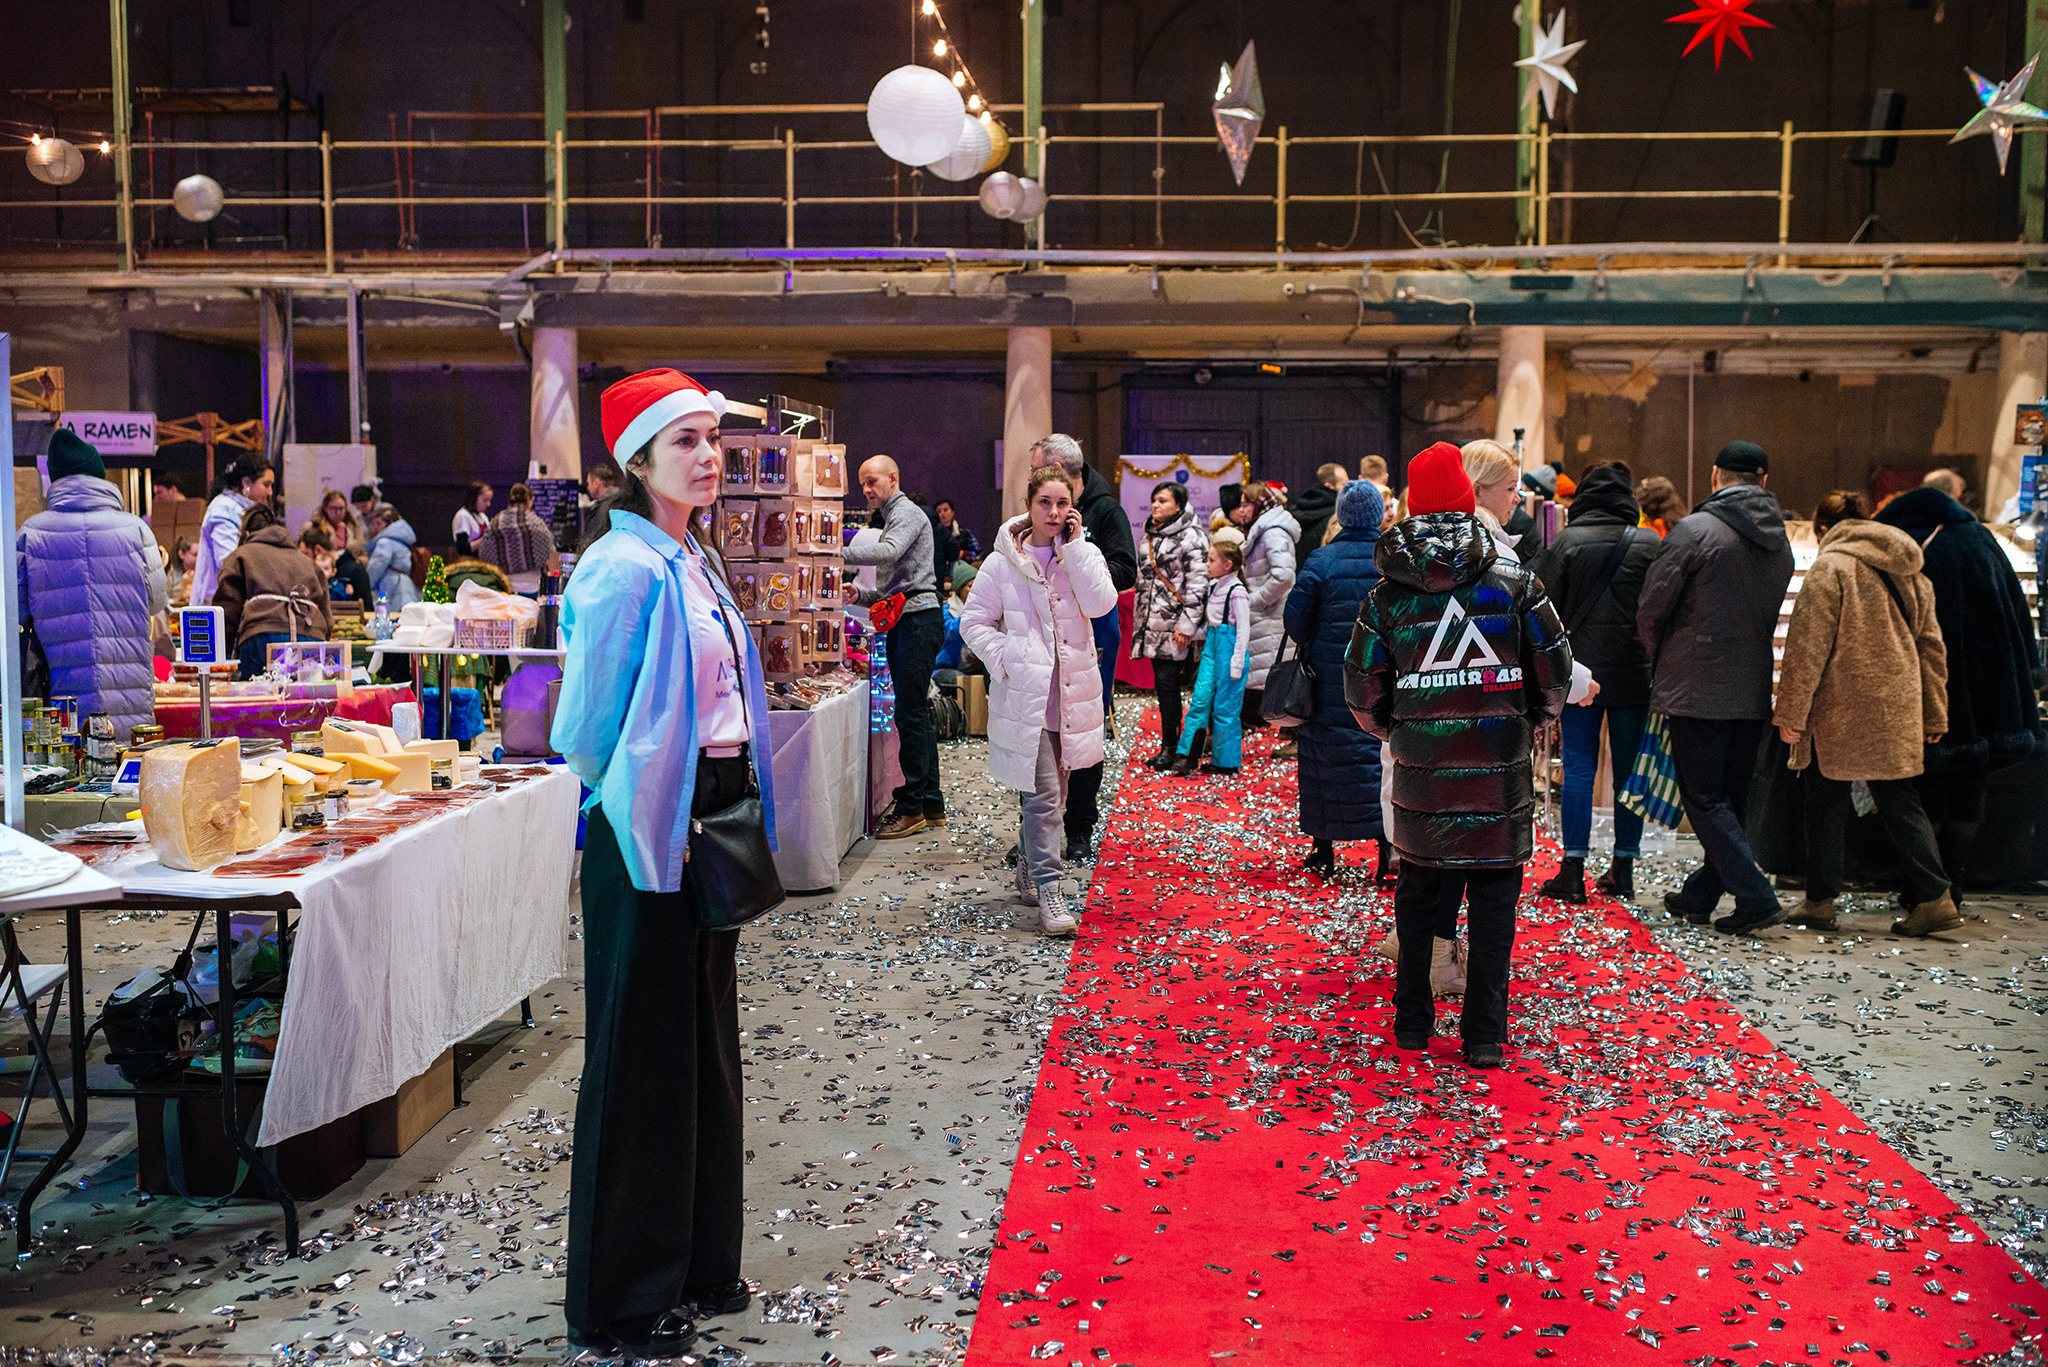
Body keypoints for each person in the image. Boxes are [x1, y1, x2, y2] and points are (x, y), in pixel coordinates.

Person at [553, 368, 775, 1360]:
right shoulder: (623, 568)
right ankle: (620, 1298)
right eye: (682, 440)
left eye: (709, 436)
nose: (706, 453)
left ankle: (694, 1260)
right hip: (647, 831)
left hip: (710, 821)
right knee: (639, 1062)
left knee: (702, 1053)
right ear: (634, 461)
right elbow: (586, 727)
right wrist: (646, 799)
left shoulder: (692, 560)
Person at [1345, 441, 1573, 1069]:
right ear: (1469, 500)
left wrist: (1401, 730)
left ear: (1413, 506)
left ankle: (1413, 1024)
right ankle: (1485, 1037)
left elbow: (1361, 693)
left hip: (1422, 779)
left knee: (1417, 900)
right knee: (1495, 906)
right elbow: (1554, 674)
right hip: (1498, 778)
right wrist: (1527, 721)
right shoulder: (1516, 584)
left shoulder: (1385, 598)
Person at [1772, 492, 1955, 935]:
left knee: (1824, 803)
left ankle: (1820, 902)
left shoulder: (1831, 568)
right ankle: (1935, 897)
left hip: (1841, 707)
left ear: (1822, 530)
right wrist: (1935, 713)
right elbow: (1931, 649)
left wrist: (1791, 713)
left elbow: (1807, 649)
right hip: (1897, 705)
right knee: (1898, 799)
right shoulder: (1912, 570)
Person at [1636, 440, 1796, 934]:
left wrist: (1659, 660)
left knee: (1704, 800)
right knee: (1730, 800)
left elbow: (1651, 608)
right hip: (1750, 687)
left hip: (1696, 687)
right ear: (1763, 480)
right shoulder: (1780, 540)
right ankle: (1701, 894)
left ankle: (1756, 899)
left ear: (1713, 476)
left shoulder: (1694, 531)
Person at [1875, 479, 2047, 920]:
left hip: (1939, 687)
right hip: (1993, 688)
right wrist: (2028, 673)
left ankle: (1927, 890)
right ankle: (1957, 884)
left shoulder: (1920, 550)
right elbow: (2017, 614)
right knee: (1972, 784)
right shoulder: (1982, 539)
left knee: (1929, 783)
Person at [960, 465, 1117, 935]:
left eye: (1062, 503)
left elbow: (1102, 604)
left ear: (1073, 508)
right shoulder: (1001, 562)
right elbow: (974, 623)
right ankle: (1051, 890)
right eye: (1044, 502)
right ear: (1029, 505)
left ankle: (1029, 868)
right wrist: (1007, 655)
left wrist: (1076, 550)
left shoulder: (1078, 554)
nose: (1053, 512)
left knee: (1058, 792)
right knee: (1046, 797)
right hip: (1028, 697)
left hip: (1073, 698)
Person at [1531, 464, 1662, 902]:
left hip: (1581, 677)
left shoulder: (1567, 542)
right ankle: (1623, 868)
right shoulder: (1649, 542)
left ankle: (1572, 871)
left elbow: (1544, 608)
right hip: (1635, 675)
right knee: (1629, 773)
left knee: (1580, 770)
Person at [17, 430, 168, 741]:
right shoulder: (136, 529)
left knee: (73, 772)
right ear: (100, 477)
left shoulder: (31, 534)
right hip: (131, 706)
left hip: (62, 706)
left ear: (55, 481)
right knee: (130, 774)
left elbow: (14, 613)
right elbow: (156, 603)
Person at [1032, 434, 1138, 860]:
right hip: (1043, 637)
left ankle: (1079, 827)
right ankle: (1036, 830)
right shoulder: (1037, 509)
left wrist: (1080, 565)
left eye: (1037, 469)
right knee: (1039, 734)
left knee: (1084, 733)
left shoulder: (1106, 510)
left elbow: (1125, 570)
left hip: (1093, 635)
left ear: (1062, 470)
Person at [1283, 479, 1387, 874]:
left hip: (1329, 679)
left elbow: (1294, 620)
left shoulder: (1322, 560)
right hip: (1381, 675)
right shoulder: (1391, 559)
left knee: (1323, 761)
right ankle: (1386, 848)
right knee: (1379, 756)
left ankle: (1324, 850)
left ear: (1341, 515)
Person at [843, 455, 946, 838]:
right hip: (911, 619)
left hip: (917, 622)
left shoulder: (907, 513)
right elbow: (894, 589)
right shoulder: (896, 517)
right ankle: (930, 803)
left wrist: (829, 550)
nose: (867, 490)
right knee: (915, 713)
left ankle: (911, 806)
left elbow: (888, 553)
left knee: (910, 714)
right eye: (862, 484)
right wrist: (862, 593)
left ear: (893, 477)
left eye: (872, 482)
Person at [1131, 481, 1209, 769]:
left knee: (1171, 684)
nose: (1155, 505)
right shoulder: (1151, 533)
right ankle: (1171, 745)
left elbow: (1199, 585)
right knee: (1164, 687)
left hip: (1176, 625)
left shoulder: (1192, 536)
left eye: (1162, 500)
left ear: (1179, 504)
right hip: (1152, 623)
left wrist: (1187, 626)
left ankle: (1174, 747)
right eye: (1153, 500)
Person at [213, 503, 334, 680]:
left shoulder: (241, 555)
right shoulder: (307, 561)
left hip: (262, 633)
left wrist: (222, 657)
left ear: (246, 533)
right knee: (305, 703)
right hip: (311, 635)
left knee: (258, 700)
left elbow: (227, 609)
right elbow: (326, 615)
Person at [1168, 539, 1250, 777]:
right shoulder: (1215, 587)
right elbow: (1211, 623)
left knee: (1226, 707)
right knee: (1200, 701)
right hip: (1212, 649)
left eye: (1211, 560)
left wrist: (1236, 662)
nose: (1207, 565)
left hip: (1229, 650)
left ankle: (1226, 761)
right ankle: (1188, 755)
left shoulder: (1237, 592)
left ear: (1227, 564)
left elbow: (1243, 630)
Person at [1233, 481, 1301, 730]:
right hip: (1265, 614)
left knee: (1270, 673)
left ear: (1259, 505)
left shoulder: (1272, 531)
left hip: (1269, 612)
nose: (1241, 510)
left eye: (1245, 504)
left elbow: (1283, 576)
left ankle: (1276, 727)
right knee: (1263, 672)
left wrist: (1256, 600)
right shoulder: (1263, 529)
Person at [191, 453, 275, 609]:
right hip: (218, 603)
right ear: (246, 483)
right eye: (266, 484)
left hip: (229, 602)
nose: (270, 492)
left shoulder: (237, 508)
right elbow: (227, 561)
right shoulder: (224, 509)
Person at [477, 482, 558, 593]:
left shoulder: (496, 521)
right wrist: (554, 581)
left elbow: (484, 553)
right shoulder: (536, 523)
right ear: (529, 500)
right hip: (530, 588)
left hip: (503, 587)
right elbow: (551, 554)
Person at [364, 501, 421, 611]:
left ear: (389, 524)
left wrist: (366, 587)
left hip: (391, 588)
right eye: (374, 523)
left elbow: (375, 569)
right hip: (406, 586)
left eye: (378, 523)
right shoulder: (402, 541)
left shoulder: (384, 543)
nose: (375, 527)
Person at [1292, 463, 1347, 554]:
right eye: (1344, 484)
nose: (1347, 488)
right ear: (1329, 486)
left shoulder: (1298, 508)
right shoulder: (1338, 515)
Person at [309, 488, 366, 559]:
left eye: (341, 508)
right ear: (325, 508)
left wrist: (359, 562)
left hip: (348, 566)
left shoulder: (353, 527)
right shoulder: (314, 527)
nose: (338, 512)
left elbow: (363, 551)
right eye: (333, 508)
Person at [584, 461, 625, 547]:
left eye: (588, 483)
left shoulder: (604, 507)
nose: (587, 487)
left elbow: (596, 539)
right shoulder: (625, 499)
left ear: (596, 483)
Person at [453, 482, 494, 555]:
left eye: (489, 500)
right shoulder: (463, 516)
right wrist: (486, 538)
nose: (488, 504)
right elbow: (462, 549)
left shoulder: (483, 517)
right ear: (474, 498)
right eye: (485, 500)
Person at [167, 536, 198, 607]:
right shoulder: (170, 572)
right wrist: (183, 583)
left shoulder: (202, 572)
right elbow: (169, 599)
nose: (198, 558)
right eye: (195, 554)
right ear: (181, 554)